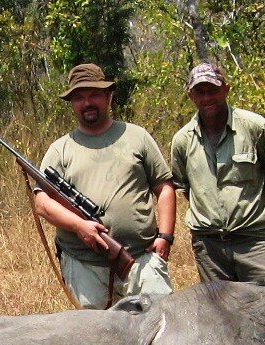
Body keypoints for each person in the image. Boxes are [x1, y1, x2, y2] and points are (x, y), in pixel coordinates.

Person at [32, 63, 175, 309]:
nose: (87, 103)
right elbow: (42, 204)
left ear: (108, 97)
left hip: (142, 259)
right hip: (85, 264)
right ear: (72, 104)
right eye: (79, 97)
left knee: (160, 330)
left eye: (94, 95)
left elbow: (164, 188)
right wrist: (79, 226)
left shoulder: (137, 136)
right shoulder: (60, 149)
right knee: (96, 340)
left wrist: (165, 237)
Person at [170, 61, 265, 286]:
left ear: (226, 89)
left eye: (213, 90)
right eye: (200, 92)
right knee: (220, 317)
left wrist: (254, 209)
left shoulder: (256, 127)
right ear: (191, 95)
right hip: (209, 248)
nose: (206, 98)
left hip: (253, 242)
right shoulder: (182, 140)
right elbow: (186, 188)